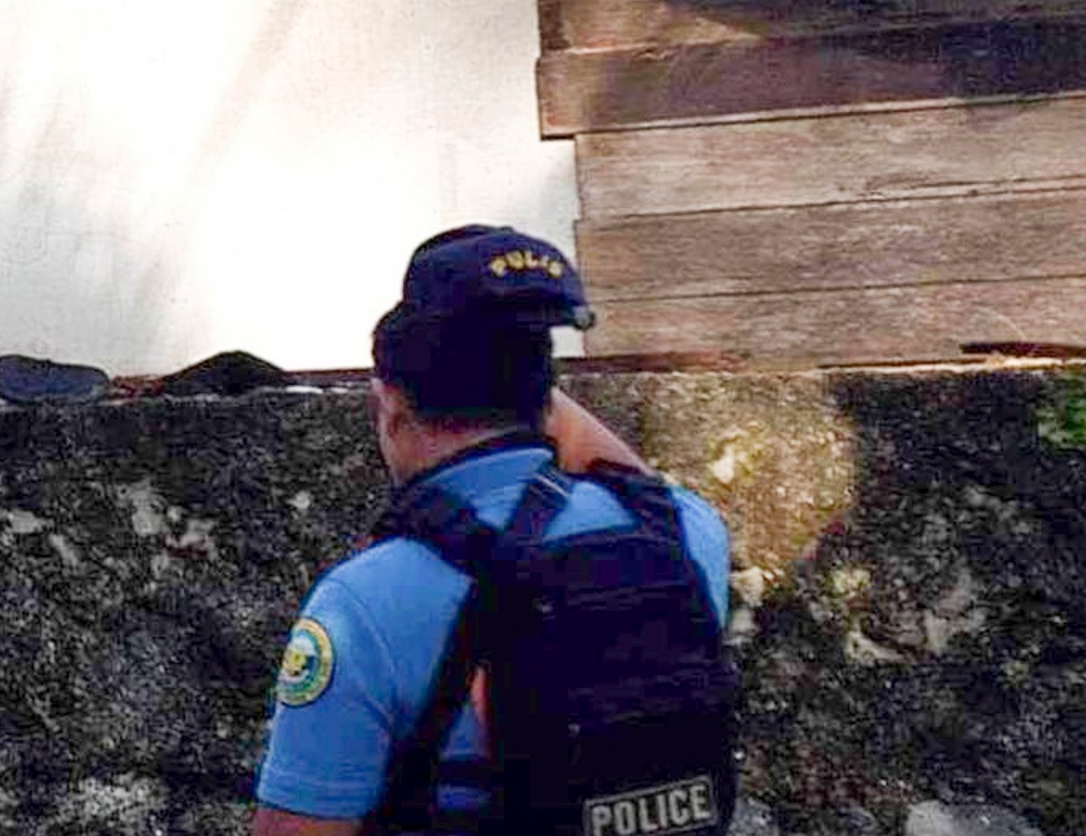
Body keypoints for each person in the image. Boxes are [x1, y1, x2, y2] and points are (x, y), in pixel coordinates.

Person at [253, 226, 736, 836]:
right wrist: (521, 373)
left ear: (391, 405)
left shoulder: (364, 603)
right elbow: (625, 470)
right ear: (543, 392)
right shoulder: (684, 537)